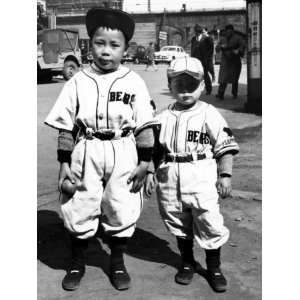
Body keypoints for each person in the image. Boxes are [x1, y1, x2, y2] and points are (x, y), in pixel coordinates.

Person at [44, 7, 157, 292]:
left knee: (122, 204)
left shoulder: (134, 80)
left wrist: (145, 162)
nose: (106, 51)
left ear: (125, 48)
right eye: (99, 43)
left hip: (123, 148)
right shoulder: (78, 81)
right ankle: (76, 261)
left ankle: (117, 260)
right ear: (89, 44)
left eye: (114, 45)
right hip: (88, 147)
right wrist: (64, 162)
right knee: (78, 204)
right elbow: (66, 126)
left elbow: (144, 125)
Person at [145, 57, 239, 293]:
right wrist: (150, 171)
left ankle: (214, 267)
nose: (186, 90)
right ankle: (187, 262)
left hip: (200, 174)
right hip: (170, 174)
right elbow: (155, 150)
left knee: (208, 220)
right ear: (170, 85)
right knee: (178, 221)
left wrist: (225, 175)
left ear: (202, 85)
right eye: (179, 84)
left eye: (192, 84)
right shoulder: (162, 117)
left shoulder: (209, 113)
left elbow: (225, 146)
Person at [215, 24, 245, 100]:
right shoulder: (222, 39)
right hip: (225, 61)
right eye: (227, 31)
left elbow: (242, 46)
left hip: (235, 61)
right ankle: (220, 94)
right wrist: (219, 47)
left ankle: (234, 93)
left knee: (235, 79)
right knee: (223, 79)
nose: (228, 33)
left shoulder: (238, 38)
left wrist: (238, 50)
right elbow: (217, 49)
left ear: (232, 31)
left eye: (230, 31)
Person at [191, 24, 214, 95]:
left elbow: (211, 46)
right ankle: (195, 89)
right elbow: (192, 48)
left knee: (205, 75)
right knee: (195, 75)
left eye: (196, 32)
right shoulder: (193, 39)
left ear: (199, 32)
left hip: (204, 60)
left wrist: (208, 57)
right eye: (195, 32)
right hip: (195, 60)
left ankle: (208, 89)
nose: (196, 33)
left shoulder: (206, 38)